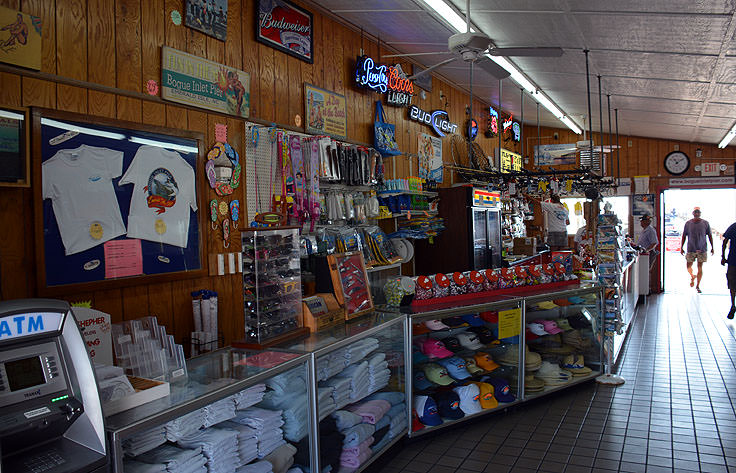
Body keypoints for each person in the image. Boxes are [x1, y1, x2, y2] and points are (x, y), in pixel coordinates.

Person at [680, 208, 714, 293]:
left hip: (702, 249)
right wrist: (681, 247)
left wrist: (712, 247)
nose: (697, 213)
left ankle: (698, 285)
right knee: (688, 266)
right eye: (695, 212)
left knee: (700, 267)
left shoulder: (705, 223)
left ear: (700, 213)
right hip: (691, 248)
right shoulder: (688, 223)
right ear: (693, 213)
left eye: (698, 212)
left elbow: (710, 235)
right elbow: (684, 235)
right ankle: (692, 276)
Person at [721, 220, 736, 319]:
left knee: (732, 284)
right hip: (732, 260)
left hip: (732, 260)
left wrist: (723, 256)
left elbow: (725, 241)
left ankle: (733, 305)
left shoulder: (734, 226)